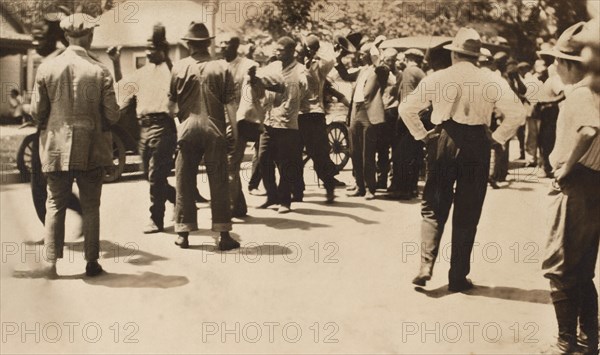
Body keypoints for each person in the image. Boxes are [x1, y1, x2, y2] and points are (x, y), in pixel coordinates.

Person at [398, 27, 526, 292]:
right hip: (477, 144)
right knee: (468, 209)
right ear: (477, 56)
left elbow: (406, 108)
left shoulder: (439, 77)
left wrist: (422, 135)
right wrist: (498, 137)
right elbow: (517, 113)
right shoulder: (491, 79)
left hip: (444, 139)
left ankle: (425, 265)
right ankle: (457, 276)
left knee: (434, 204)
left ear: (454, 54)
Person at [30, 13, 119, 278]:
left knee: (55, 203)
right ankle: (91, 262)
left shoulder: (46, 68)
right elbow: (113, 115)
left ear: (67, 36)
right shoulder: (100, 69)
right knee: (91, 205)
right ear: (89, 36)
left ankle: (51, 263)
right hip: (92, 147)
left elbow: (37, 112)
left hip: (56, 147)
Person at [538, 22, 600, 355]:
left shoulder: (579, 94)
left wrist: (565, 167)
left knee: (559, 267)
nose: (554, 66)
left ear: (571, 64)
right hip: (595, 184)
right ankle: (590, 339)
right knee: (582, 269)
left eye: (557, 61)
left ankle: (566, 342)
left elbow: (588, 131)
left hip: (576, 184)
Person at [169, 22, 239, 250]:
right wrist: (234, 132)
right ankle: (223, 234)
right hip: (214, 129)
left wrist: (177, 130)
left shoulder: (178, 67)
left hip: (187, 128)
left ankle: (183, 233)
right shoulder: (222, 67)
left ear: (189, 45)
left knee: (184, 179)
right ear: (207, 44)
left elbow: (170, 106)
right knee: (218, 180)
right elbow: (230, 104)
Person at [117, 24, 177, 234]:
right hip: (144, 128)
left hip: (163, 127)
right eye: (147, 48)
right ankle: (179, 199)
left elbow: (169, 66)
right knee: (149, 175)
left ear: (163, 49)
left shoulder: (171, 70)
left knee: (154, 175)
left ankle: (156, 219)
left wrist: (161, 42)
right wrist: (116, 62)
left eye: (153, 48)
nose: (148, 52)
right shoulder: (142, 73)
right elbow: (122, 87)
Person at [253, 36, 307, 213]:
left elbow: (302, 85)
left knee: (286, 164)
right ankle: (272, 196)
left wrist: (281, 86)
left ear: (292, 51)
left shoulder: (300, 70)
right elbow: (261, 76)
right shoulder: (274, 65)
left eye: (281, 49)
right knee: (263, 158)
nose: (277, 52)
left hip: (287, 123)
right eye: (276, 49)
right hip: (269, 120)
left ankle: (285, 201)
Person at [335, 41, 389, 200]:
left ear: (373, 55)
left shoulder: (380, 70)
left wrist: (377, 57)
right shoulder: (362, 70)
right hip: (355, 112)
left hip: (368, 113)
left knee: (368, 152)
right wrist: (338, 60)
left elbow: (383, 70)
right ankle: (359, 186)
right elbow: (345, 75)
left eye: (365, 53)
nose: (361, 56)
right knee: (354, 152)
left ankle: (370, 188)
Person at [219, 33, 260, 218]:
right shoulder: (218, 66)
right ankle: (239, 206)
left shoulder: (247, 66)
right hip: (220, 123)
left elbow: (254, 94)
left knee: (230, 166)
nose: (222, 46)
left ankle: (229, 207)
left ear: (235, 46)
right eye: (220, 43)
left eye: (226, 43)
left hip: (239, 124)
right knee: (228, 166)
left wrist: (254, 78)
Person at [296, 34, 338, 204]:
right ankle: (297, 190)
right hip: (296, 114)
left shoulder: (318, 65)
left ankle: (329, 186)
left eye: (306, 49)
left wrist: (314, 52)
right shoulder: (293, 66)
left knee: (319, 154)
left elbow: (332, 60)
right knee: (294, 155)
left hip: (314, 114)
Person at [390, 48, 426, 200]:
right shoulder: (421, 73)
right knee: (415, 153)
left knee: (402, 154)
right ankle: (411, 188)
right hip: (419, 116)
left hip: (407, 117)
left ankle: (402, 189)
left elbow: (401, 96)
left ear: (409, 58)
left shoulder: (409, 72)